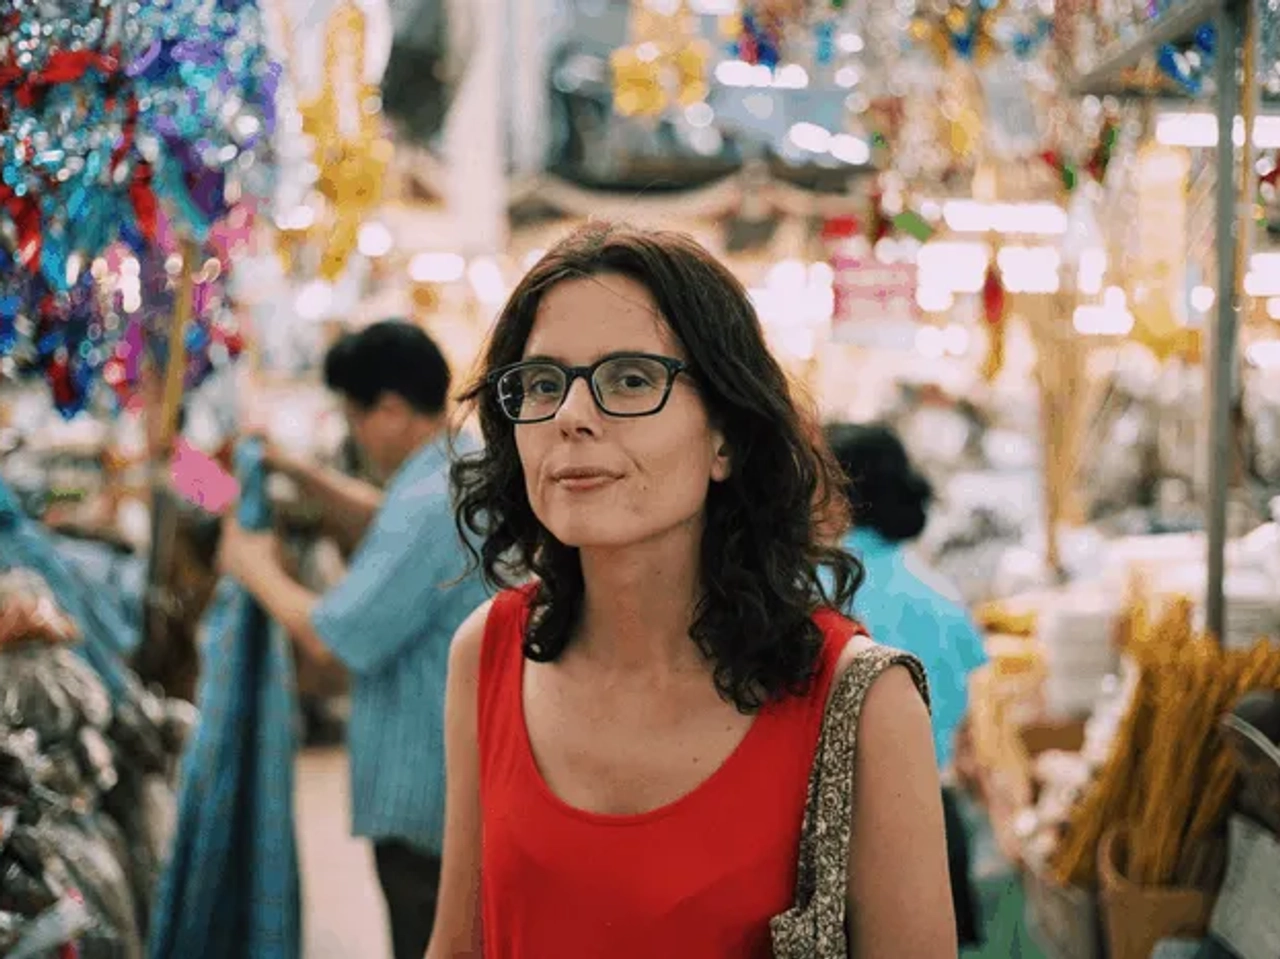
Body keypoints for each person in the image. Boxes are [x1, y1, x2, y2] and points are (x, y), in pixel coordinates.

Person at [426, 222, 956, 959]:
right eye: (542, 384)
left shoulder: (861, 702)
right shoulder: (488, 651)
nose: (572, 417)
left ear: (726, 438)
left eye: (631, 379)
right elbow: (458, 945)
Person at [217, 320, 488, 959]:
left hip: (428, 807)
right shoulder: (462, 463)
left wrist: (252, 567)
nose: (354, 434)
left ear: (390, 409)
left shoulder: (430, 502)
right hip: (457, 797)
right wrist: (298, 472)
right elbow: (387, 517)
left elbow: (333, 641)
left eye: (355, 417)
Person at [824, 421, 989, 948]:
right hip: (935, 826)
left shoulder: (806, 593)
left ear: (837, 493)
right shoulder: (941, 596)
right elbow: (968, 724)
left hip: (833, 835)